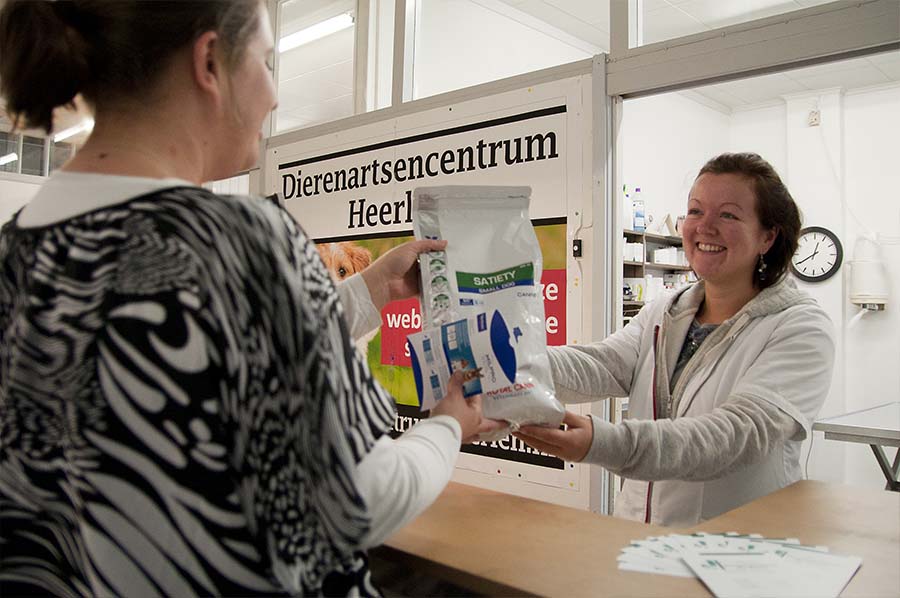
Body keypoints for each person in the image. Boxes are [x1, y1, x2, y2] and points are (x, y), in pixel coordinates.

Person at [0, 1, 491, 596]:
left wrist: (367, 291)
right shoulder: (248, 240)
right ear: (209, 62)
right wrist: (446, 427)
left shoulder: (16, 249)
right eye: (265, 61)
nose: (275, 95)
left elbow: (184, 355)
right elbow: (360, 498)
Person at [515, 153, 835, 527]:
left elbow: (737, 435)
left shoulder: (799, 327)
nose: (705, 227)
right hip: (640, 539)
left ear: (768, 236)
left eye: (728, 215)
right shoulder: (666, 311)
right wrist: (510, 362)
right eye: (696, 211)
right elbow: (601, 364)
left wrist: (604, 444)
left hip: (735, 552)